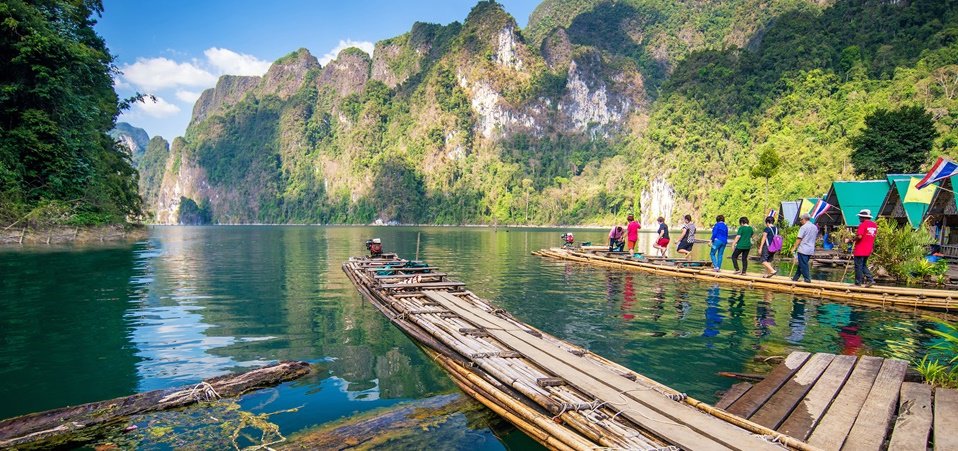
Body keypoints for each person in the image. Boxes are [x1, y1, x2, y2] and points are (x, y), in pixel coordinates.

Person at [851, 209, 877, 287]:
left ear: (863, 217)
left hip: (860, 249)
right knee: (863, 265)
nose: (859, 219)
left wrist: (852, 240)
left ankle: (857, 283)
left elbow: (859, 236)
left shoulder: (863, 225)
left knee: (858, 266)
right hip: (868, 248)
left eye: (860, 217)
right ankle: (870, 279)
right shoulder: (874, 225)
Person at [790, 213, 818, 283]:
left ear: (804, 219)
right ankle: (795, 278)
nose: (800, 221)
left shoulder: (803, 227)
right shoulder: (815, 227)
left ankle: (807, 279)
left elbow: (799, 238)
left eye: (801, 220)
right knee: (801, 264)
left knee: (803, 265)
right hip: (810, 249)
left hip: (803, 249)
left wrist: (794, 248)